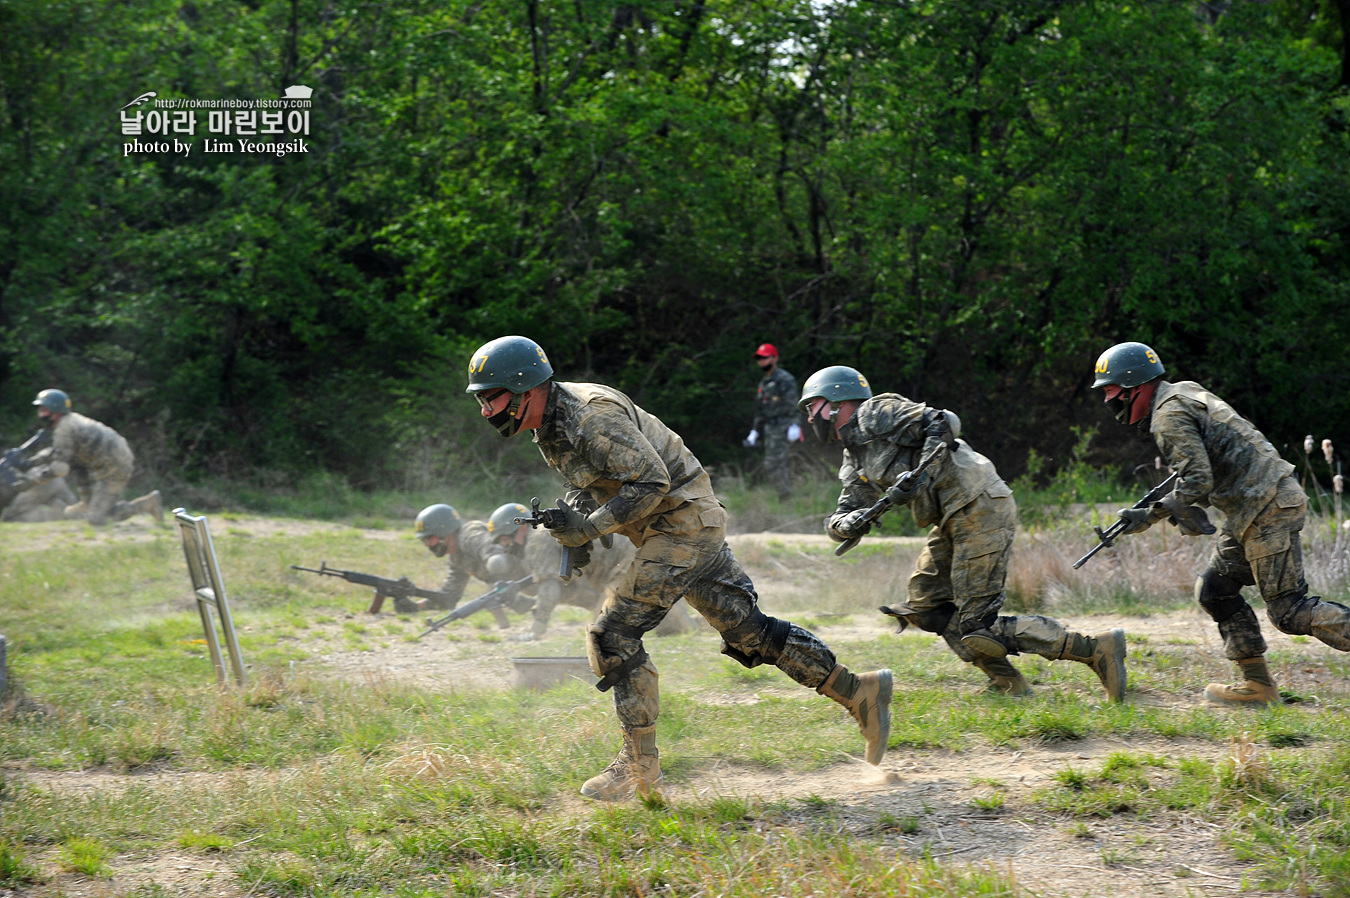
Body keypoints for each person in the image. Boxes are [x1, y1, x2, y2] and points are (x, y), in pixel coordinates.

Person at [466, 335, 893, 801]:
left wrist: (588, 529)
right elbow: (596, 480)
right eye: (483, 400)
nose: (487, 411)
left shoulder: (591, 416)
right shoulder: (548, 422)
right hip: (679, 523)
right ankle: (859, 692)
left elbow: (652, 481)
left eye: (492, 398)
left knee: (612, 636)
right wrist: (573, 517)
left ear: (525, 387)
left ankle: (638, 769)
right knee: (748, 631)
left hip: (680, 524)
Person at [799, 365, 1127, 702]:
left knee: (978, 626)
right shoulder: (854, 456)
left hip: (977, 503)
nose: (811, 418)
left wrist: (919, 474)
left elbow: (943, 422)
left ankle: (1094, 649)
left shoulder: (875, 412)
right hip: (953, 516)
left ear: (838, 401)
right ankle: (1008, 684)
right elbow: (844, 510)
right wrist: (848, 524)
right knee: (926, 605)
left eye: (813, 406)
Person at [1093, 341, 1350, 706]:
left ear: (1136, 384)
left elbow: (1197, 480)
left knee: (1289, 612)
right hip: (1253, 506)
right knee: (1215, 590)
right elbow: (1209, 466)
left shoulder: (1167, 417)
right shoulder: (1183, 392)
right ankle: (1258, 687)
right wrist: (1169, 507)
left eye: (1111, 390)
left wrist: (1151, 515)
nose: (1108, 400)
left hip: (1265, 507)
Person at [24, 389, 162, 525]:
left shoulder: (64, 428)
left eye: (44, 409)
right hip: (112, 460)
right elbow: (60, 452)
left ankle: (148, 504)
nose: (40, 413)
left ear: (55, 410)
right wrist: (32, 462)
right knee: (73, 462)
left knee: (97, 518)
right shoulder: (69, 421)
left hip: (114, 466)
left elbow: (60, 469)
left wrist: (37, 480)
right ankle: (88, 501)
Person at [411, 503, 529, 615]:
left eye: (429, 539)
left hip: (533, 571)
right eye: (424, 541)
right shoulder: (457, 557)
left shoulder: (468, 535)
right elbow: (449, 597)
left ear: (444, 531)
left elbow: (488, 547)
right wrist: (416, 606)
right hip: (526, 585)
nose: (427, 545)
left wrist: (495, 560)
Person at [744, 343, 801, 501]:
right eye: (759, 358)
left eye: (764, 357)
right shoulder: (764, 383)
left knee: (773, 463)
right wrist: (755, 431)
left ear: (774, 358)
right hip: (770, 428)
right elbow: (761, 409)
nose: (761, 361)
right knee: (776, 463)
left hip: (783, 426)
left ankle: (785, 496)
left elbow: (793, 403)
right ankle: (785, 495)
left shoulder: (784, 379)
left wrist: (795, 424)